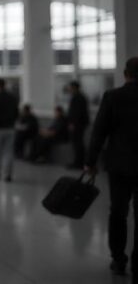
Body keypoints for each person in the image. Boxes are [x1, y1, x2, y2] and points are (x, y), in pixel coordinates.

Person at [86, 57, 138, 282]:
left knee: (118, 212)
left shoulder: (113, 97)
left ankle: (118, 259)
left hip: (120, 165)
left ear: (126, 73)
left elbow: (99, 132)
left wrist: (91, 162)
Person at [66, 81, 90, 170]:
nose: (69, 89)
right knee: (77, 143)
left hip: (78, 125)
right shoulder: (78, 97)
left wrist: (73, 124)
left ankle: (79, 163)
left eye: (70, 87)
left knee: (78, 144)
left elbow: (77, 113)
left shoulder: (78, 98)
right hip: (79, 124)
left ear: (74, 88)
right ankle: (78, 162)